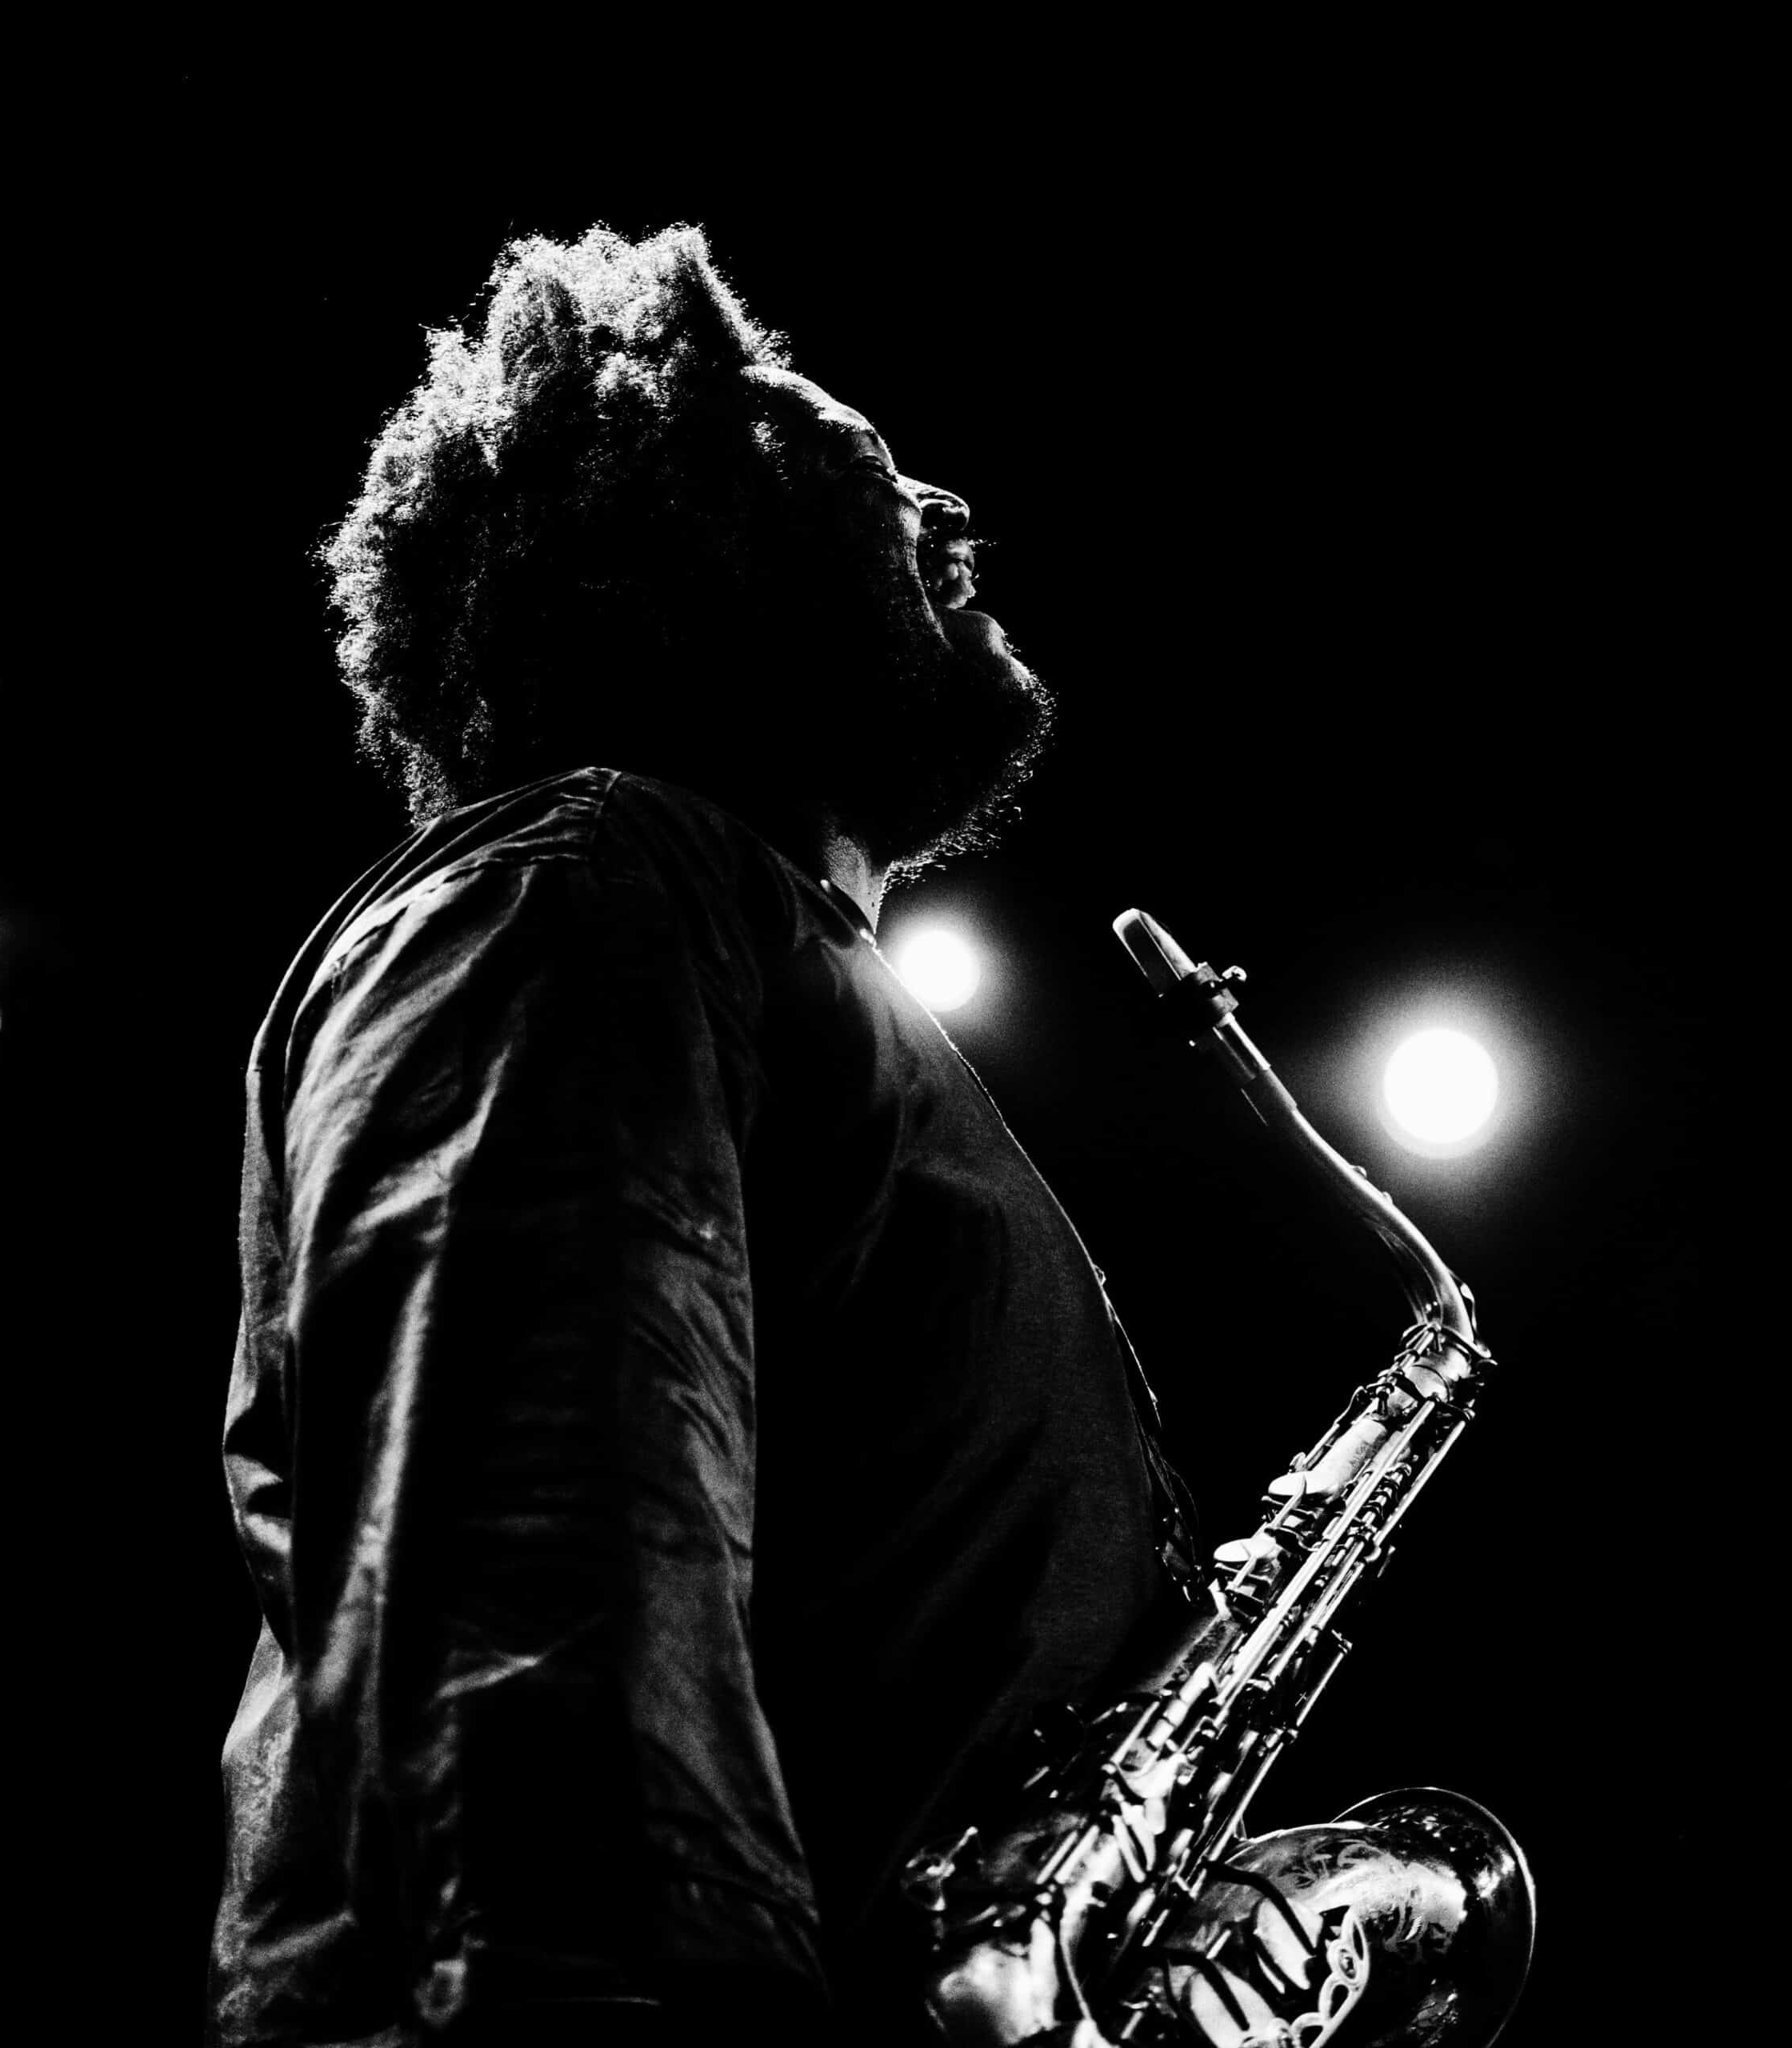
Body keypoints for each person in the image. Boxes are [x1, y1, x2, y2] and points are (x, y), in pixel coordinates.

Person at [209, 224, 1200, 2047]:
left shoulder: (746, 949)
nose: (949, 509)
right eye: (865, 473)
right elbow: (544, 1590)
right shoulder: (586, 883)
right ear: (690, 545)